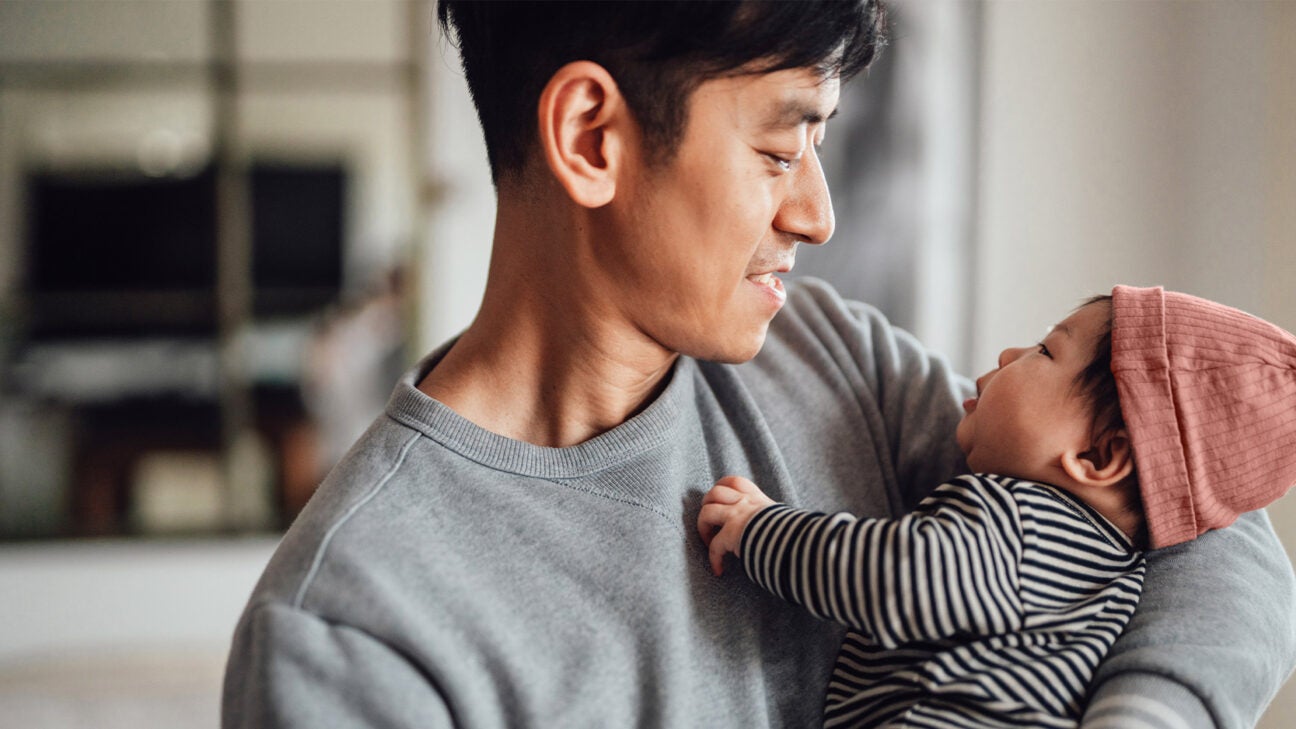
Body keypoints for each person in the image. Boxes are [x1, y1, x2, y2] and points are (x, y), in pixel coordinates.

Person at [222, 2, 1296, 727]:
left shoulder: (836, 362)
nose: (819, 213)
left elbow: (1208, 519)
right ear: (592, 137)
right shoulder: (351, 628)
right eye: (781, 150)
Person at [699, 286, 1296, 727]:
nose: (1010, 354)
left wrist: (762, 530)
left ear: (1096, 457)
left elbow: (905, 579)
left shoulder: (1023, 519)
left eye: (1044, 351)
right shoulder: (1110, 568)